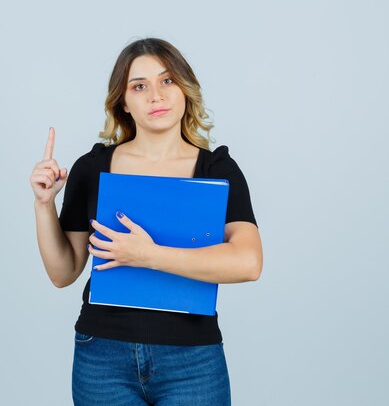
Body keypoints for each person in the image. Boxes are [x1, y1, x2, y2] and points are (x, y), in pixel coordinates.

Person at [30, 37, 263, 406]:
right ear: (123, 101)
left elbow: (248, 263)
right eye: (140, 86)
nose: (156, 95)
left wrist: (148, 254)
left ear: (185, 90)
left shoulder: (216, 170)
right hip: (101, 357)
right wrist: (44, 205)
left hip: (192, 360)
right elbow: (63, 272)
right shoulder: (92, 169)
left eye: (167, 81)